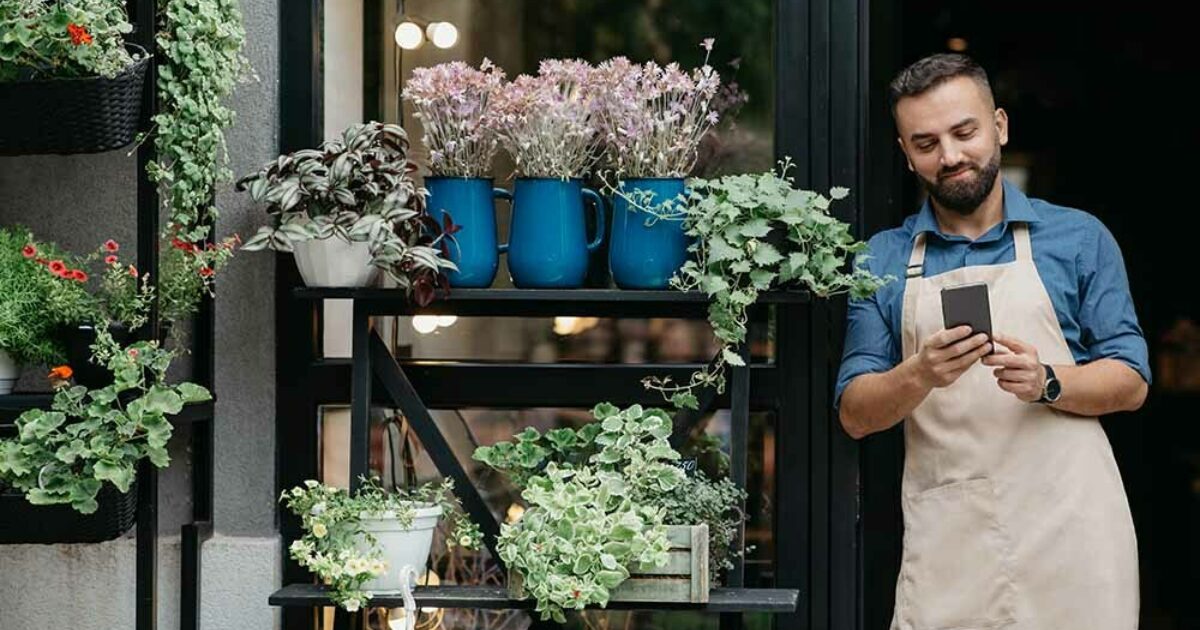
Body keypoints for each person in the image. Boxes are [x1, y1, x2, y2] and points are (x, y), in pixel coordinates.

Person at [835, 53, 1150, 630]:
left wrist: (1048, 380)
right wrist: (919, 374)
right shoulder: (880, 260)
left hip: (1073, 536)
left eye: (964, 132)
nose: (950, 156)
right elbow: (855, 413)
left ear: (999, 126)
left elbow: (1130, 380)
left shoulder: (1078, 239)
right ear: (906, 155)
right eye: (926, 143)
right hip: (952, 538)